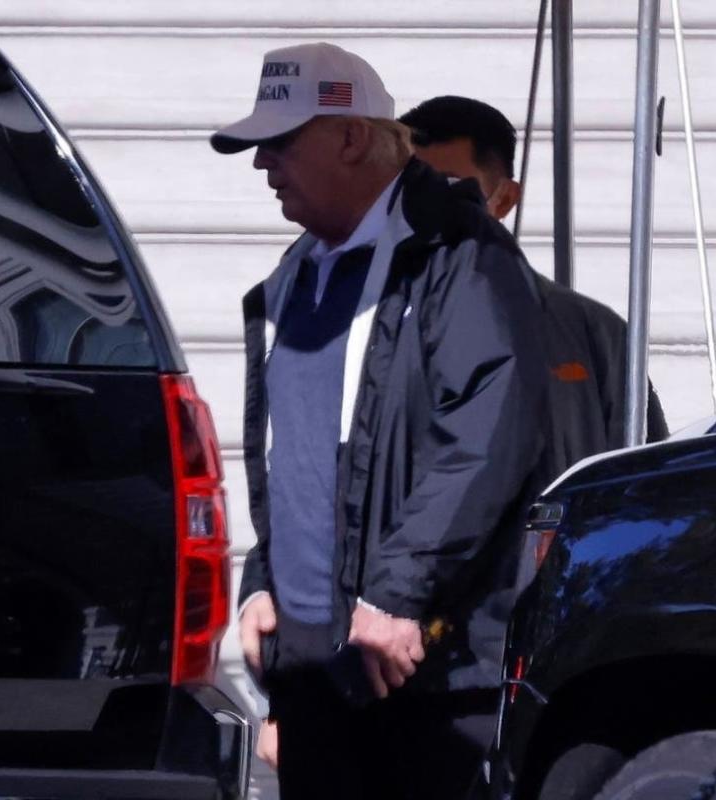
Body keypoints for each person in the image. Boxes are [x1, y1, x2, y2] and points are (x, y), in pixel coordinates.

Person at [212, 43, 549, 799]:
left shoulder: (457, 253)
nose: (263, 164)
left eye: (281, 142)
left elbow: (486, 439)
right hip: (312, 667)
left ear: (351, 137)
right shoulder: (296, 272)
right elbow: (295, 459)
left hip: (419, 667)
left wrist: (397, 597)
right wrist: (262, 584)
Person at [399, 95, 669, 480]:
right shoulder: (359, 320)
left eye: (450, 186)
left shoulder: (593, 332)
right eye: (406, 188)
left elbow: (644, 478)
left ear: (505, 199)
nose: (423, 206)